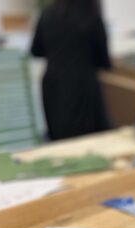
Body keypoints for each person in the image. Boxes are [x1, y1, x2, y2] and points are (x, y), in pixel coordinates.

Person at [31, 0, 112, 141]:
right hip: (83, 88)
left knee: (59, 142)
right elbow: (104, 60)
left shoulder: (47, 13)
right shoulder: (91, 13)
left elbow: (36, 50)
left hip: (53, 86)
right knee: (88, 142)